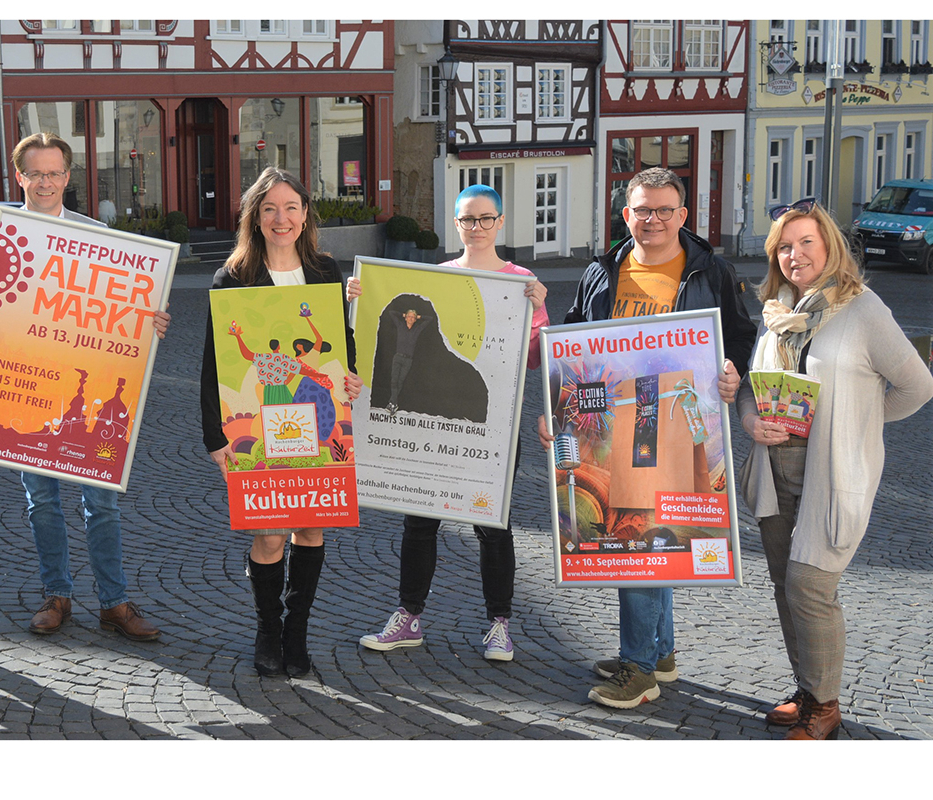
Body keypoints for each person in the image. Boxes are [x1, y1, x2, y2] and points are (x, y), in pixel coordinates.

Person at [538, 167, 756, 708]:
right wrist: (558, 409)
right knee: (636, 525)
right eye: (641, 210)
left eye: (663, 210)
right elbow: (573, 344)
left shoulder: (711, 271)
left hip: (676, 423)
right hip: (621, 419)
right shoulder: (601, 271)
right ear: (626, 214)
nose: (651, 220)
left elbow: (741, 336)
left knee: (640, 536)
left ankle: (637, 671)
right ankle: (658, 650)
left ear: (683, 216)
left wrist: (734, 372)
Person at [0, 132, 169, 642]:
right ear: (19, 177)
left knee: (103, 504)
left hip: (85, 387)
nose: (45, 182)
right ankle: (57, 594)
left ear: (68, 178)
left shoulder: (99, 236)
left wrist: (151, 322)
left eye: (54, 173)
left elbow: (126, 308)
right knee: (42, 502)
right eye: (36, 173)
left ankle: (114, 602)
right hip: (26, 386)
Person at [737, 199, 932, 739]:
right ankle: (806, 686)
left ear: (830, 247)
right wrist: (752, 420)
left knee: (809, 586)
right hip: (776, 471)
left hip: (834, 473)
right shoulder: (777, 309)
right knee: (784, 584)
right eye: (785, 244)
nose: (795, 254)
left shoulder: (863, 309)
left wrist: (859, 425)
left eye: (806, 242)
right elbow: (755, 389)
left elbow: (918, 386)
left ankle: (825, 707)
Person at [349, 184, 548, 662]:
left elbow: (537, 360)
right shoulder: (434, 278)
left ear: (500, 222)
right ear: (454, 224)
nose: (475, 228)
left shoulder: (521, 280)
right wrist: (357, 298)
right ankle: (409, 615)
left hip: (490, 429)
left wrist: (539, 308)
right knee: (419, 520)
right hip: (424, 427)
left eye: (484, 219)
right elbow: (374, 337)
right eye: (466, 220)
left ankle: (500, 623)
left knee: (493, 524)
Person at [200, 166, 362, 677]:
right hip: (263, 423)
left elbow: (339, 348)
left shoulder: (324, 272)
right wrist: (215, 437)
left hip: (315, 416)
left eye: (291, 207)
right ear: (255, 217)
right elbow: (215, 363)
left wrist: (351, 375)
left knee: (310, 529)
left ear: (305, 213)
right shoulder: (233, 278)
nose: (281, 218)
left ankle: (297, 632)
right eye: (269, 208)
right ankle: (268, 628)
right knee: (270, 532)